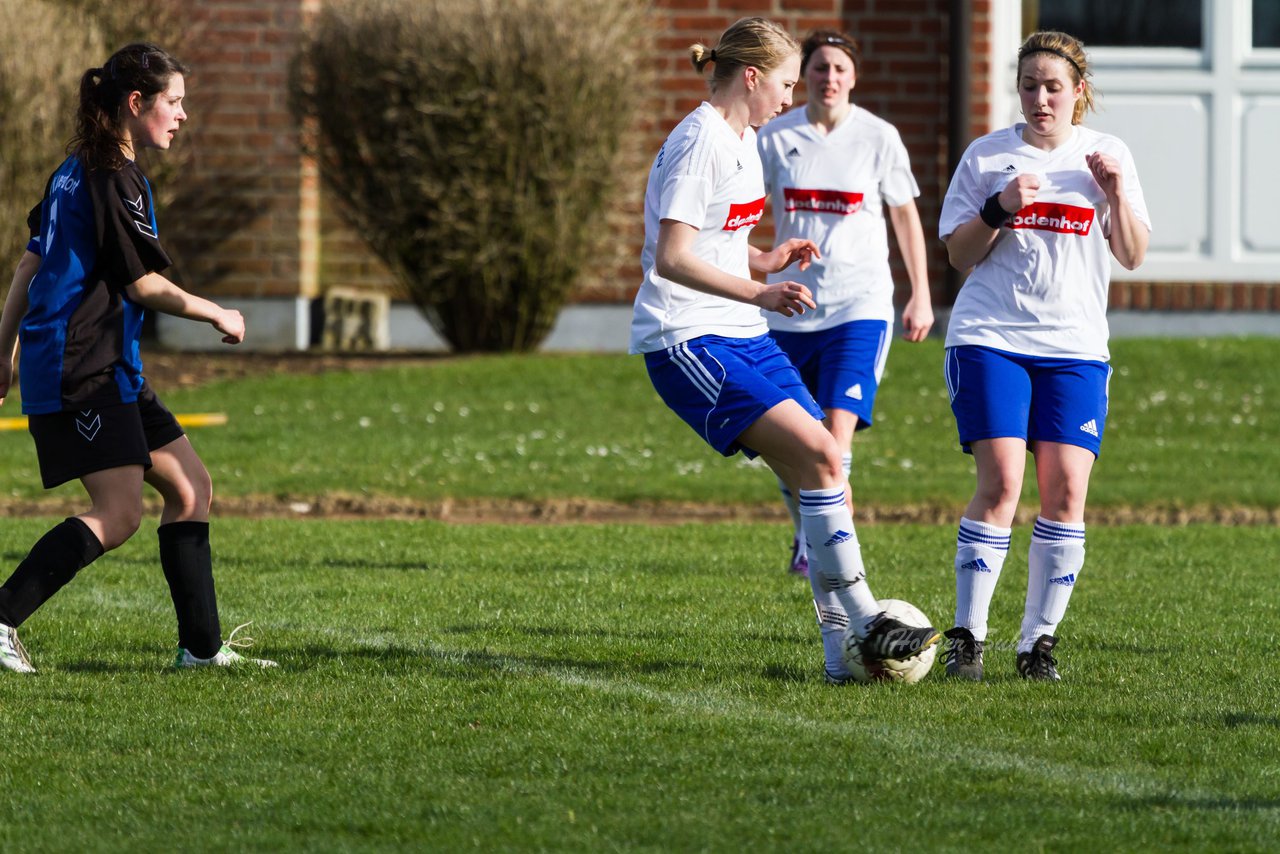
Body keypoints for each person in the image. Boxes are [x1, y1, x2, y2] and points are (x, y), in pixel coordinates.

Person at [630, 17, 941, 684]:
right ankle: (868, 622)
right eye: (787, 82)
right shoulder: (700, 141)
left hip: (739, 331)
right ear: (751, 77)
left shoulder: (742, 138)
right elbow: (672, 256)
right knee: (824, 457)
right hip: (688, 339)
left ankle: (840, 660)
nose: (792, 96)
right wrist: (759, 292)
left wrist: (764, 258)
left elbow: (713, 236)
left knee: (824, 478)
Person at [0, 43, 275, 673]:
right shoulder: (110, 179)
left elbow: (29, 262)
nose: (181, 116)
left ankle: (202, 651)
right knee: (119, 513)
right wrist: (217, 313)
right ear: (135, 103)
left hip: (109, 367)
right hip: (81, 368)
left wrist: (3, 349)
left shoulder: (75, 169)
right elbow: (142, 284)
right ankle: (2, 615)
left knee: (189, 487)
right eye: (173, 102)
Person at [937, 31, 1149, 681]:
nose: (1040, 98)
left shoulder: (1106, 154)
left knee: (1066, 492)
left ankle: (1037, 645)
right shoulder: (989, 155)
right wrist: (1000, 208)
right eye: (1029, 85)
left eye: (1053, 86)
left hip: (1075, 348)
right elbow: (958, 255)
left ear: (1078, 91)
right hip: (992, 337)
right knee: (1001, 484)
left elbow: (1133, 254)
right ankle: (968, 638)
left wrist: (1113, 192)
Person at [757, 29, 934, 578]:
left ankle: (832, 559)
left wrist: (921, 294)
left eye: (839, 68)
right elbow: (741, 206)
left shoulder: (879, 137)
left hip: (860, 305)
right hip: (790, 309)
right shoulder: (775, 136)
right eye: (818, 68)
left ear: (854, 76)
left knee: (835, 437)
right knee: (792, 448)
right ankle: (805, 533)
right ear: (803, 75)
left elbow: (904, 216)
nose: (829, 78)